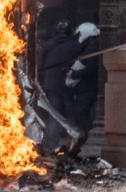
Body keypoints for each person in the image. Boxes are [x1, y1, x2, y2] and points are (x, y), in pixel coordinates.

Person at [39, 19, 80, 154]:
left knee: (54, 115)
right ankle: (72, 145)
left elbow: (40, 65)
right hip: (67, 84)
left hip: (51, 84)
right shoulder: (74, 45)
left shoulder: (48, 45)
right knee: (70, 115)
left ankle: (51, 145)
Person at [65, 20, 100, 156]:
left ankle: (78, 142)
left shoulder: (91, 47)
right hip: (86, 87)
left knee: (80, 116)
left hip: (86, 88)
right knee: (81, 116)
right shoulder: (92, 45)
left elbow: (91, 68)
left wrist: (74, 73)